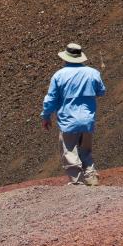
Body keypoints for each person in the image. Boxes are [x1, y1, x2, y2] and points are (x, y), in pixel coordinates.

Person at [41, 43, 107, 186]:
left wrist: (46, 116)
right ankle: (91, 178)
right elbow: (101, 91)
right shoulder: (93, 73)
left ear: (65, 58)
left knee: (69, 152)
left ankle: (77, 184)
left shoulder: (59, 75)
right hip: (88, 119)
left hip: (68, 121)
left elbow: (50, 99)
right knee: (86, 151)